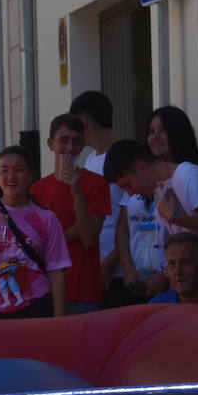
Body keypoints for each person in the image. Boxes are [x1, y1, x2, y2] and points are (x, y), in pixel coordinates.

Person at [102, 139, 198, 306]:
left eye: (128, 185)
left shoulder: (190, 176)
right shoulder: (161, 190)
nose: (130, 193)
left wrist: (177, 217)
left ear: (142, 168)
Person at [106, 106, 198, 307]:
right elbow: (123, 229)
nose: (155, 137)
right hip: (137, 280)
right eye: (151, 132)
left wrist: (165, 274)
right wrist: (127, 266)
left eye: (163, 130)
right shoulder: (136, 174)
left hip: (176, 282)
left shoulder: (189, 177)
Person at [0, 146, 71, 319]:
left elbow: (57, 272)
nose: (11, 177)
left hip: (36, 306)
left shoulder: (47, 218)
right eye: (4, 170)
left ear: (30, 176)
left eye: (18, 170)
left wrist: (60, 320)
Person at [30, 114, 112, 314]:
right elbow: (36, 243)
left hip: (84, 291)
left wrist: (76, 191)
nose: (69, 148)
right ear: (51, 144)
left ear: (83, 145)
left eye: (76, 142)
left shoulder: (96, 183)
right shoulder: (37, 189)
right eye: (63, 141)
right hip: (45, 291)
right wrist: (69, 233)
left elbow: (89, 239)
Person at [69, 91, 123, 286]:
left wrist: (110, 263)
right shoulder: (91, 159)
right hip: (94, 264)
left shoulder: (124, 157)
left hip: (117, 272)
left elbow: (133, 219)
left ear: (84, 121)